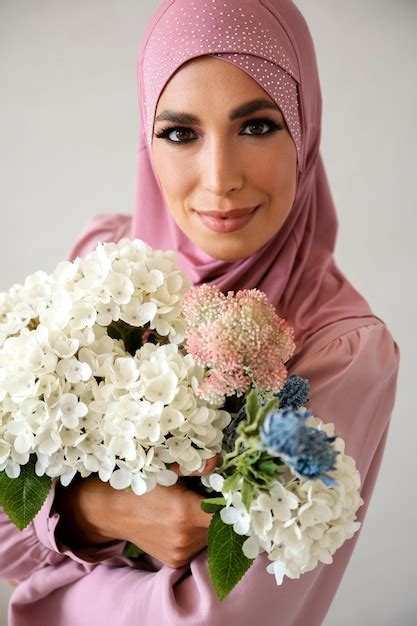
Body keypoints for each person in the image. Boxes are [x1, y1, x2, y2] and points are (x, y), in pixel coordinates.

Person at [0, 1, 400, 625]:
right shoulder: (102, 265)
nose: (220, 179)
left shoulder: (341, 350)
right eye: (181, 133)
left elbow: (212, 618)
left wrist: (50, 582)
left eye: (258, 126)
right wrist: (90, 512)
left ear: (306, 129)